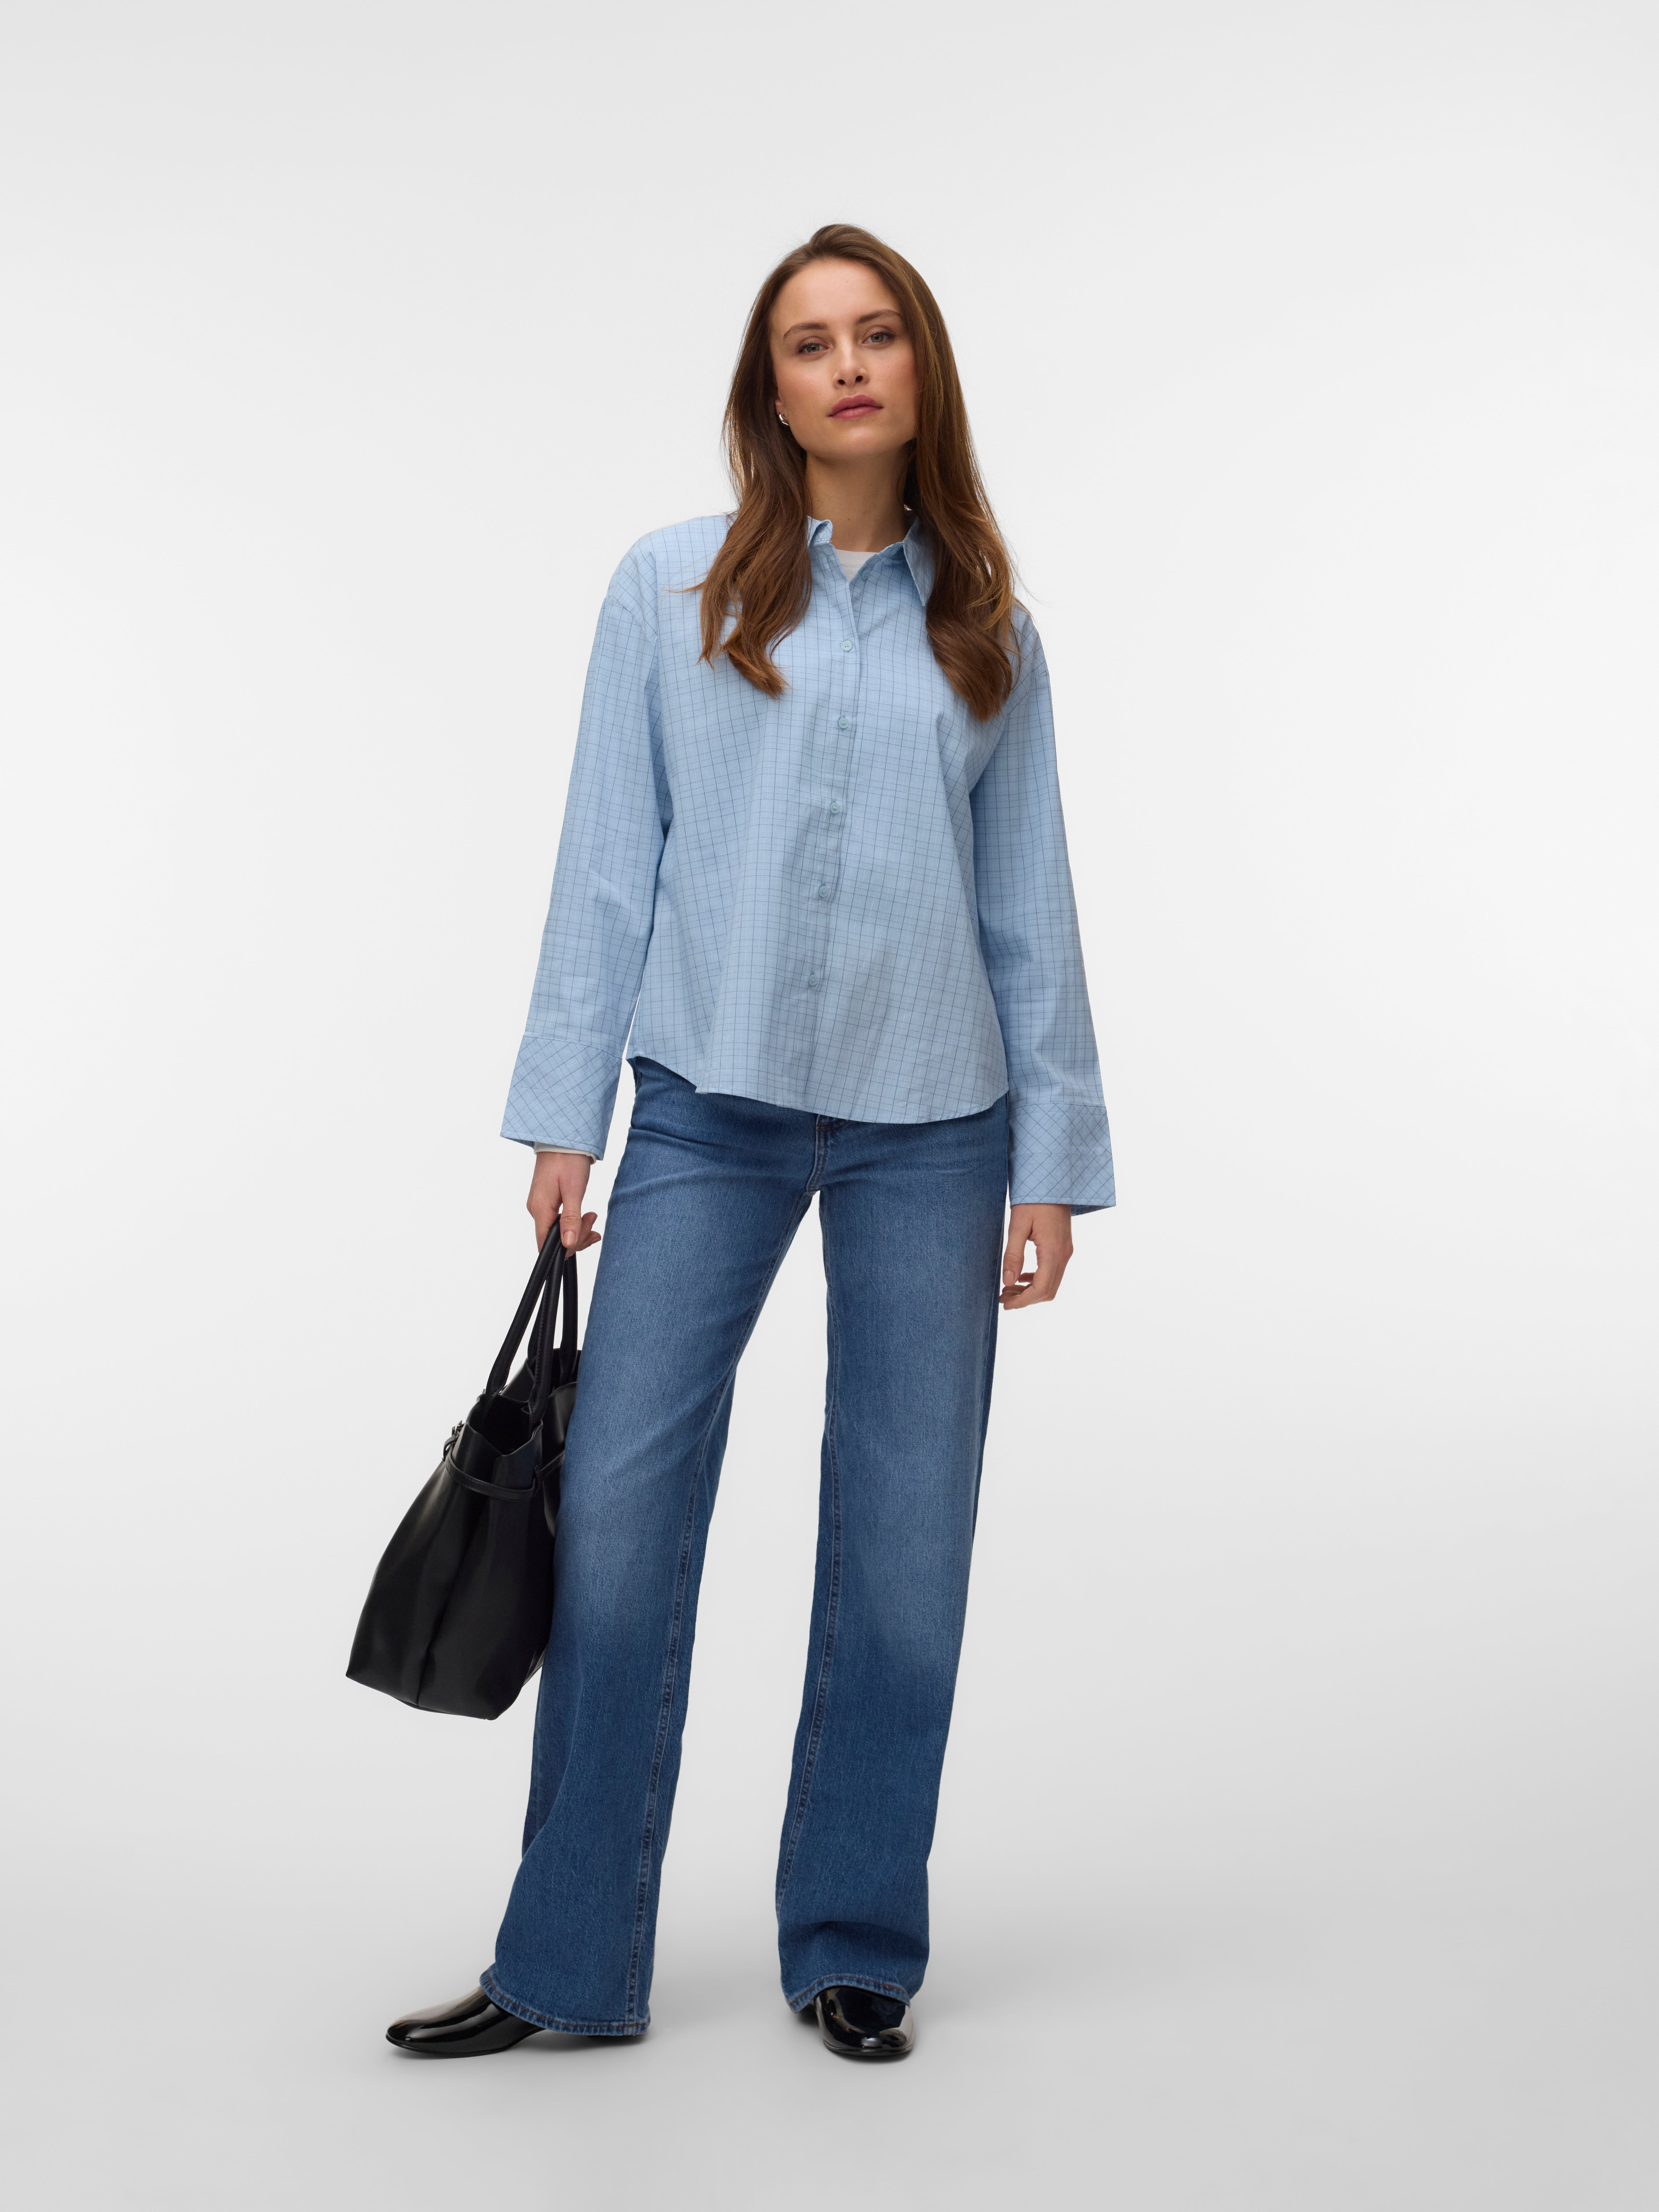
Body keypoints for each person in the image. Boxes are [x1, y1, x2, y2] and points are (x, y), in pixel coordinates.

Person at [386, 223, 1113, 2065]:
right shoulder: (668, 589)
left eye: (877, 335)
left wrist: (1052, 1157)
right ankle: (563, 1958)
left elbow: (1028, 904)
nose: (847, 365)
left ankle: (855, 1941)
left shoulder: (988, 628)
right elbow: (604, 858)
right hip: (703, 1109)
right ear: (770, 388)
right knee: (621, 1525)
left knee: (904, 1544)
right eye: (810, 342)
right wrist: (565, 1114)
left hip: (936, 1125)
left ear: (921, 372)